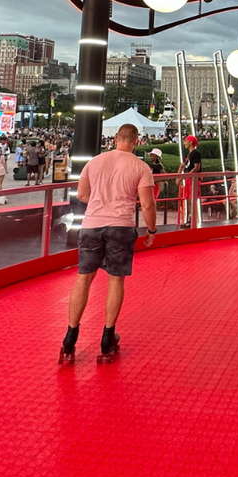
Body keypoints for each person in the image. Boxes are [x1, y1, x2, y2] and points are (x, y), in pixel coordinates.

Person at [59, 123, 157, 364]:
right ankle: (107, 337)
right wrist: (151, 230)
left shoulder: (94, 162)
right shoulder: (141, 167)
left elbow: (82, 195)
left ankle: (70, 338)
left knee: (83, 278)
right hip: (121, 226)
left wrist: (101, 198)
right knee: (116, 279)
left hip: (92, 224)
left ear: (115, 138)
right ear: (136, 142)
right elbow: (147, 204)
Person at [180, 136, 201, 227]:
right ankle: (190, 219)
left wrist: (187, 175)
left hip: (192, 179)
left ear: (191, 142)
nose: (185, 143)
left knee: (192, 199)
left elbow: (197, 167)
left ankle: (193, 220)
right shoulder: (189, 154)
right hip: (189, 178)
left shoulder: (195, 153)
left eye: (186, 141)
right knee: (189, 199)